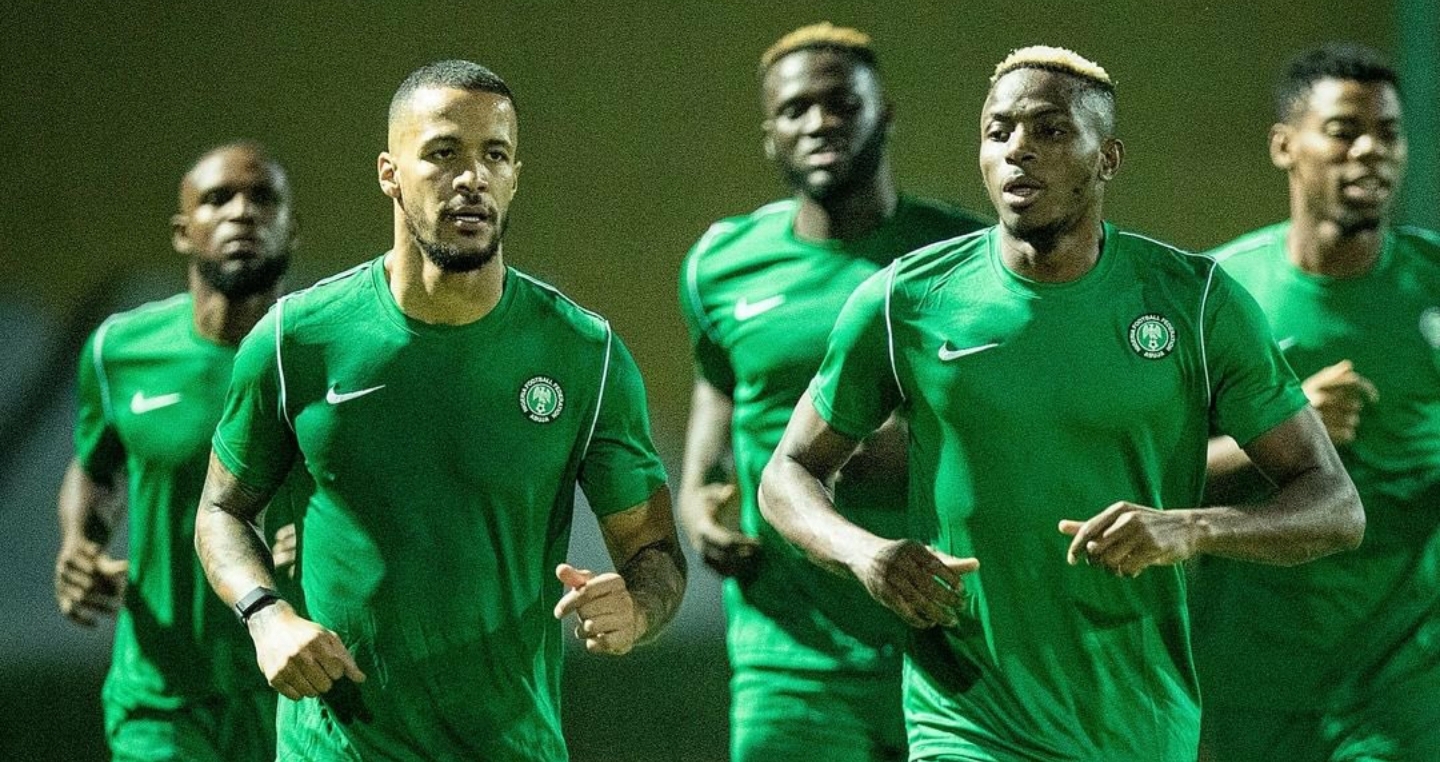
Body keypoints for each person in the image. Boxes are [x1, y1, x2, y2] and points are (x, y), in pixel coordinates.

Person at [758, 45, 1364, 760]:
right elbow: (786, 473)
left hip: (1138, 723)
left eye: (1049, 131)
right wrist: (866, 555)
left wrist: (1190, 528)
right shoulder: (905, 301)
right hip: (965, 722)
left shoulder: (1196, 303)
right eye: (999, 132)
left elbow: (1334, 507)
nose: (1018, 150)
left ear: (1107, 159)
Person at [192, 60, 686, 760]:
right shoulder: (294, 340)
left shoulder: (585, 353)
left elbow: (654, 552)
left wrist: (635, 608)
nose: (472, 178)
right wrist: (266, 615)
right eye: (444, 153)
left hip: (512, 747)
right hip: (335, 749)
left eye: (495, 156)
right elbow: (220, 511)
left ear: (515, 176)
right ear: (390, 173)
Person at [677, 22, 986, 761]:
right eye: (795, 109)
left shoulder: (967, 258)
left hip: (951, 640)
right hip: (790, 652)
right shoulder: (722, 262)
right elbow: (720, 382)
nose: (819, 123)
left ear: (885, 115)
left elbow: (1014, 421)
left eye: (843, 104)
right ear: (770, 137)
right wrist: (694, 490)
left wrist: (914, 454)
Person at [1194, 43, 1440, 761]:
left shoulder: (1432, 283)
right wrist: (1284, 430)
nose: (1370, 152)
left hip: (1404, 683)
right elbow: (1157, 472)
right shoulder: (1219, 293)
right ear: (1285, 146)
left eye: (1388, 134)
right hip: (1250, 675)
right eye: (1343, 131)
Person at [54, 141, 303, 761]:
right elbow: (96, 468)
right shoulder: (120, 350)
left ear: (291, 229)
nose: (242, 213)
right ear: (183, 232)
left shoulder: (329, 357)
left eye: (263, 198)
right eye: (218, 199)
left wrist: (323, 533)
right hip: (160, 698)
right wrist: (80, 543)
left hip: (293, 690)